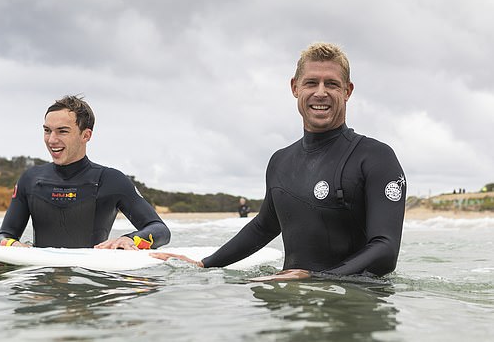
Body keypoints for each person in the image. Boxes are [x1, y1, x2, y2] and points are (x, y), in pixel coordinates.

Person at [152, 42, 406, 280]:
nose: (320, 92)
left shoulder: (375, 157)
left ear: (347, 91)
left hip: (352, 304)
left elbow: (385, 251)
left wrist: (317, 278)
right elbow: (264, 226)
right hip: (291, 305)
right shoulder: (280, 161)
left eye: (331, 84)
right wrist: (205, 264)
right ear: (295, 88)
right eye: (311, 83)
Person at [0, 95, 170, 250]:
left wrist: (129, 239)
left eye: (62, 131)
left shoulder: (110, 180)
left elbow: (160, 230)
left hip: (91, 278)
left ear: (86, 135)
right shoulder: (31, 179)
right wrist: (14, 245)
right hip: (41, 277)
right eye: (47, 130)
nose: (52, 140)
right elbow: (3, 237)